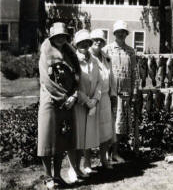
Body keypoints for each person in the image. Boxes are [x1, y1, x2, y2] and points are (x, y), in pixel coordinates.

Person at [37, 22, 80, 189]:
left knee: (62, 139)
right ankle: (48, 177)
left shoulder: (70, 54)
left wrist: (74, 95)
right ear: (52, 37)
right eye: (57, 36)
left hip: (68, 102)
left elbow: (77, 76)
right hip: (51, 101)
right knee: (47, 139)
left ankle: (57, 176)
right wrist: (64, 98)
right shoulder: (45, 54)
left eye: (63, 36)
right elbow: (46, 81)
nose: (61, 39)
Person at [68, 30, 102, 182]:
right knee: (75, 139)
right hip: (78, 105)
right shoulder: (72, 59)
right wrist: (87, 101)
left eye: (86, 42)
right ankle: (72, 169)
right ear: (76, 44)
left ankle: (79, 167)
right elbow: (72, 85)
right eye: (81, 43)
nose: (84, 45)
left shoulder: (94, 60)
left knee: (84, 139)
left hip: (91, 105)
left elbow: (100, 82)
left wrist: (95, 100)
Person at [102, 20, 137, 162]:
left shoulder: (131, 51)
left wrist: (134, 92)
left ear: (126, 34)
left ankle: (115, 152)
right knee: (107, 122)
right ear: (114, 33)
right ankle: (104, 153)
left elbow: (135, 72)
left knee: (120, 124)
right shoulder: (107, 50)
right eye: (118, 32)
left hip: (125, 93)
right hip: (110, 93)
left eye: (123, 32)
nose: (121, 34)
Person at [90, 29, 116, 169]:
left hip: (105, 97)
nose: (98, 42)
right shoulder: (87, 57)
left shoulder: (107, 58)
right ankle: (87, 163)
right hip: (92, 99)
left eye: (101, 40)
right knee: (89, 130)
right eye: (95, 39)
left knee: (106, 131)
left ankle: (103, 159)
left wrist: (113, 95)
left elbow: (111, 78)